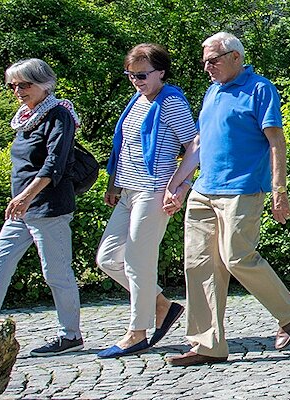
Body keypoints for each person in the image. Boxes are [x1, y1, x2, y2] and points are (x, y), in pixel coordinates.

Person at [161, 32, 290, 367]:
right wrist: (178, 184)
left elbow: (276, 143)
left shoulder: (259, 89)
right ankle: (208, 344)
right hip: (203, 191)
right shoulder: (212, 92)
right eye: (205, 62)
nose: (207, 67)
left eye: (213, 60)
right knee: (198, 265)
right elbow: (199, 144)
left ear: (235, 57)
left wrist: (279, 190)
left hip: (242, 190)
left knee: (236, 256)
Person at [0, 58, 85, 355]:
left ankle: (70, 335)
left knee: (56, 274)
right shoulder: (25, 118)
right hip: (21, 209)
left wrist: (25, 196)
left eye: (24, 84)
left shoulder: (59, 115)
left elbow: (54, 164)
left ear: (44, 84)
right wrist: (21, 200)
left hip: (48, 207)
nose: (18, 90)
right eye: (13, 85)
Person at [92, 44, 193, 358]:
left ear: (161, 72)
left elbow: (194, 146)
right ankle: (161, 305)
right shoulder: (137, 99)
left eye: (142, 75)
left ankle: (137, 332)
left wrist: (179, 186)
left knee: (138, 262)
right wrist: (113, 183)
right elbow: (123, 146)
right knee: (108, 258)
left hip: (153, 192)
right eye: (131, 75)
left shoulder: (171, 101)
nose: (136, 80)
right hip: (128, 190)